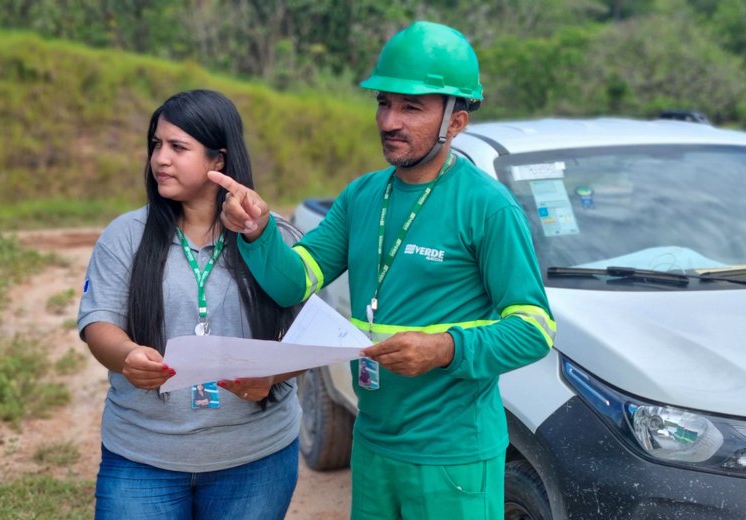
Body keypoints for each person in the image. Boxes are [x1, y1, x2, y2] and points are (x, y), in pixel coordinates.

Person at [209, 21, 556, 520]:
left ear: (455, 122)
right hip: (372, 445)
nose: (390, 120)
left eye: (411, 107)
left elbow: (533, 328)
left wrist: (444, 348)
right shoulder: (362, 196)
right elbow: (292, 281)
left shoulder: (487, 207)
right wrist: (258, 233)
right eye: (384, 103)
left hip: (451, 456)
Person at [77, 89, 302, 520]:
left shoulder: (273, 238)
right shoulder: (126, 234)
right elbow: (98, 321)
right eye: (156, 145)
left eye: (178, 147)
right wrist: (127, 356)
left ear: (219, 160)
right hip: (143, 457)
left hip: (256, 458)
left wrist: (272, 374)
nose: (160, 159)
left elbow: (311, 338)